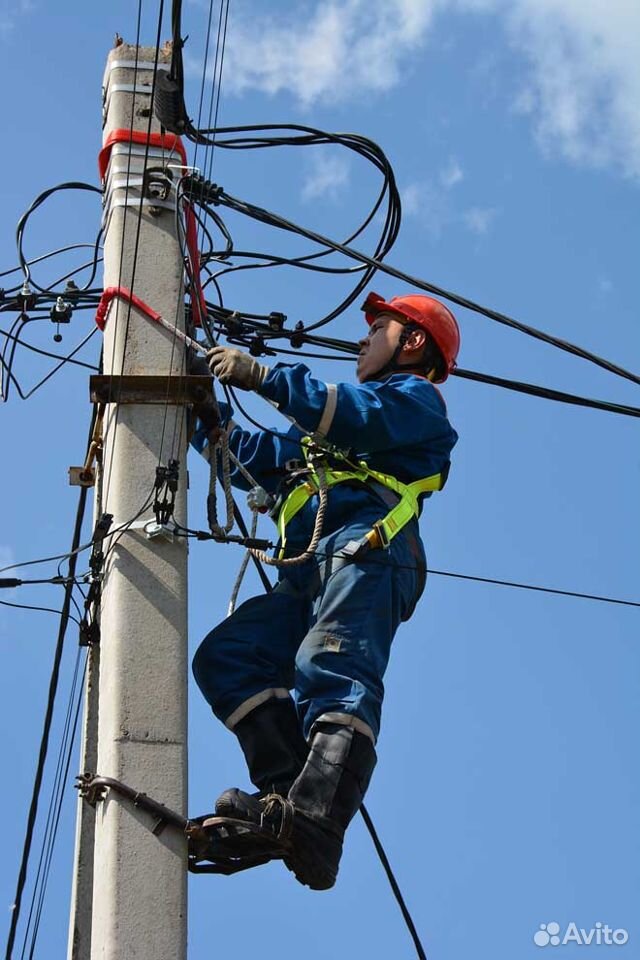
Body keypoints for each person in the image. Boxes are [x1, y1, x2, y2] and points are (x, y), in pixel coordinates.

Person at [190, 291, 459, 890]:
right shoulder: (319, 437)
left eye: (379, 329)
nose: (364, 340)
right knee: (229, 655)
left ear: (413, 343)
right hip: (307, 569)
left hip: (368, 548)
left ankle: (319, 821)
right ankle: (284, 799)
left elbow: (351, 412)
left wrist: (263, 376)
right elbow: (251, 457)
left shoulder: (416, 402)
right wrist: (195, 410)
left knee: (331, 662)